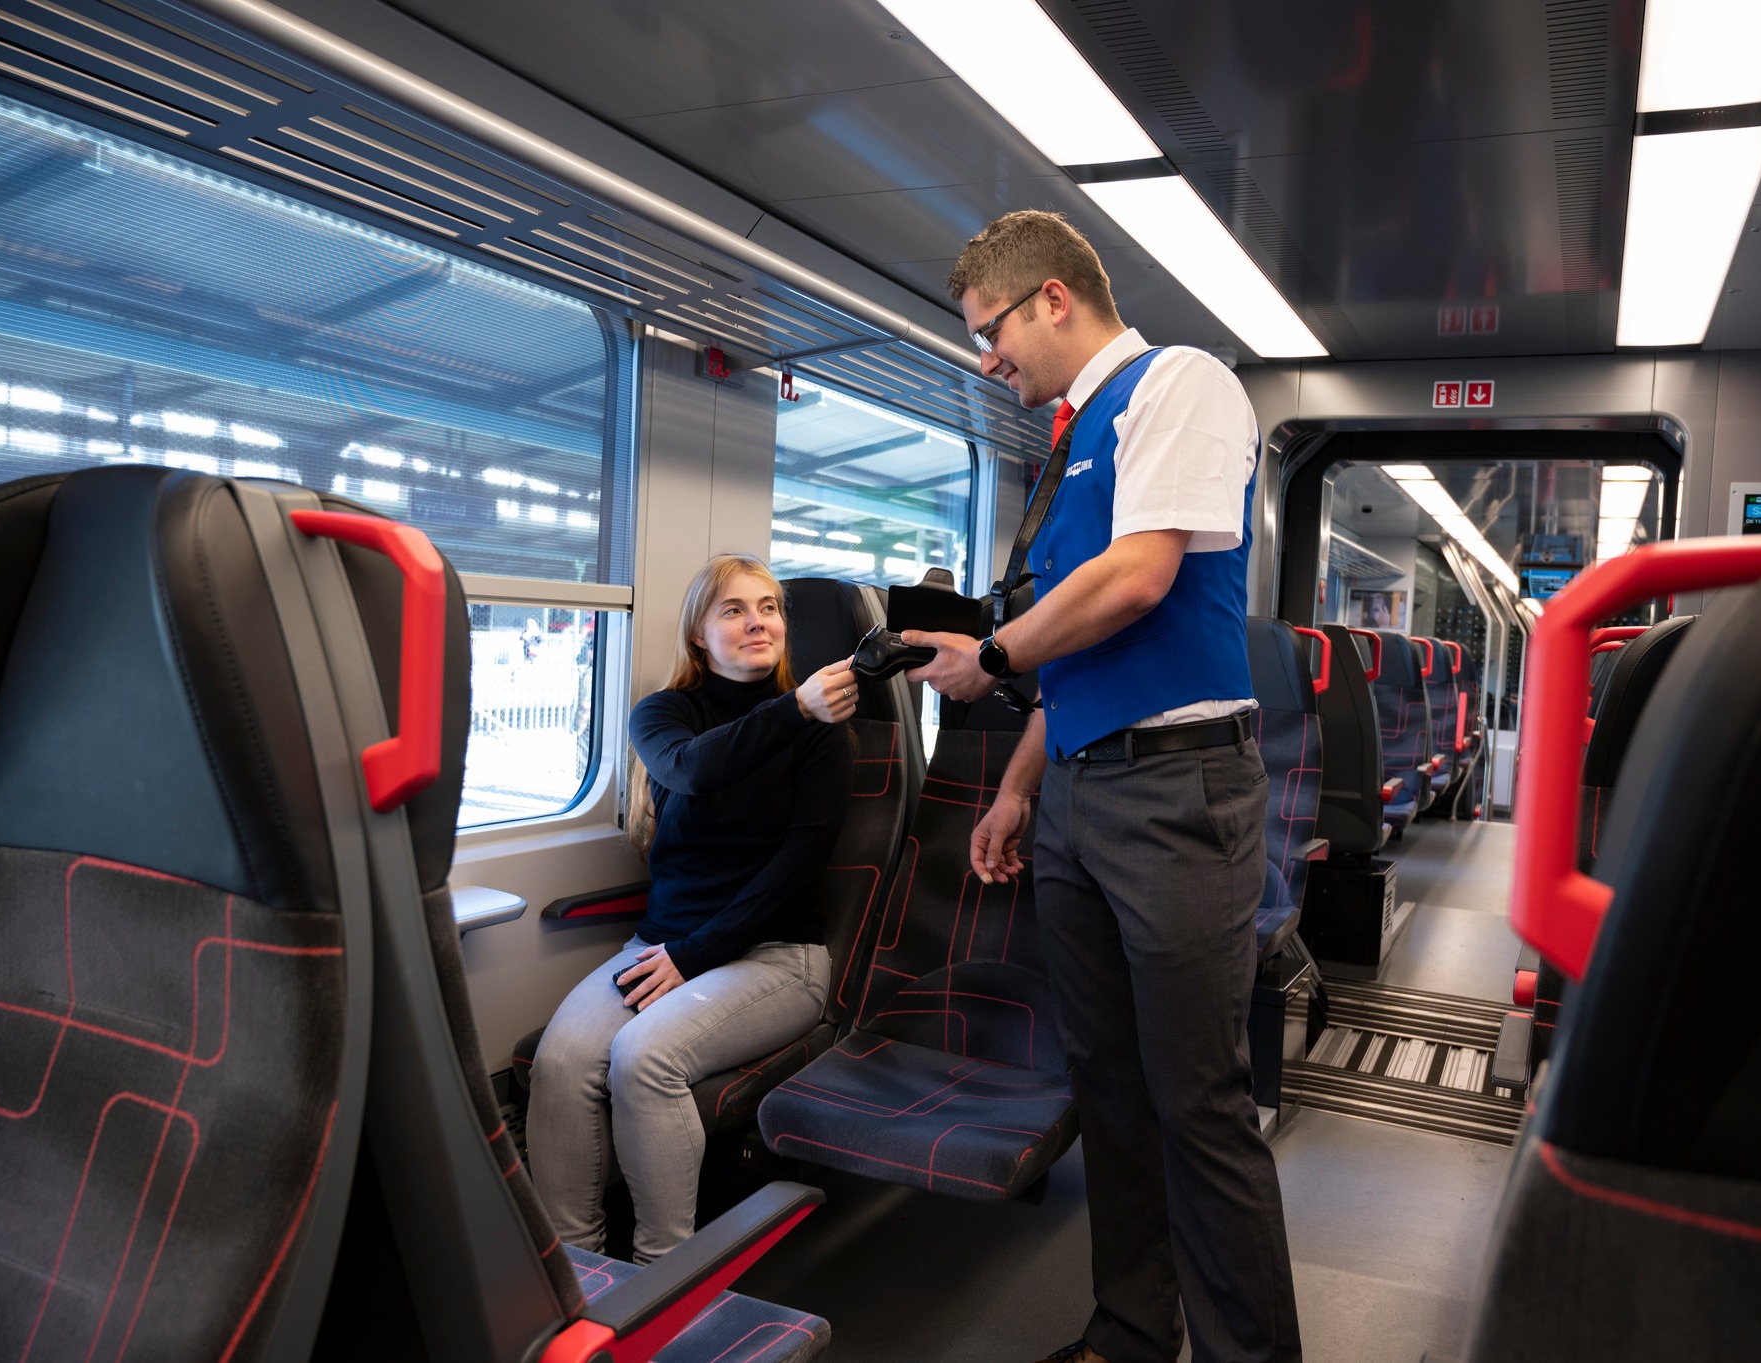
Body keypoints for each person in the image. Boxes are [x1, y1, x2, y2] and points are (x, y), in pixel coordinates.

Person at [908, 211, 1301, 1363]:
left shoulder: (1178, 383)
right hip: (1081, 790)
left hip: (1176, 797)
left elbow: (1136, 582)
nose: (988, 360)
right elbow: (1081, 645)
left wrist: (987, 660)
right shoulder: (1070, 443)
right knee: (1110, 1088)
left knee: (1197, 1103)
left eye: (990, 332)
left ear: (1052, 299)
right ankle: (1131, 1331)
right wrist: (1019, 787)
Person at [527, 554, 858, 1263]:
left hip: (778, 956)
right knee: (561, 1059)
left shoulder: (825, 732)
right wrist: (794, 706)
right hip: (665, 945)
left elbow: (793, 873)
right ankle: (573, 1269)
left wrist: (692, 954)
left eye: (768, 606)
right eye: (734, 609)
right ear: (699, 634)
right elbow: (693, 769)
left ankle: (663, 1274)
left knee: (643, 1057)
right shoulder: (665, 713)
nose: (757, 621)